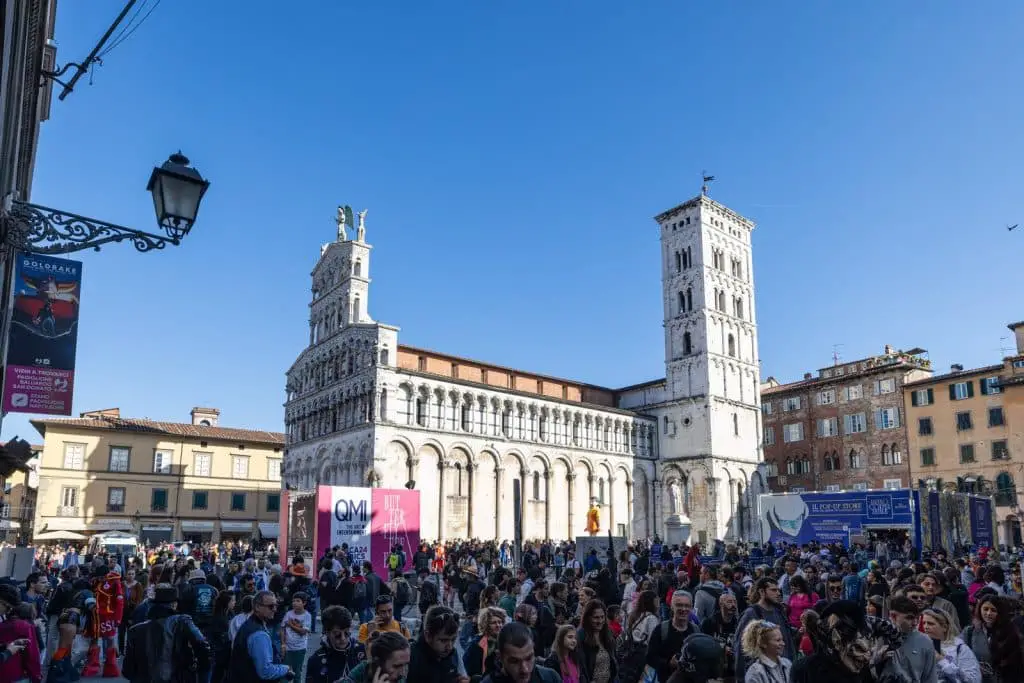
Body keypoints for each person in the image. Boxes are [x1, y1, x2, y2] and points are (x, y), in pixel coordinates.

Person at [122, 583, 211, 683]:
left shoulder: (136, 630)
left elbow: (127, 669)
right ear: (174, 604)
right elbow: (202, 645)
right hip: (176, 677)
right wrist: (198, 668)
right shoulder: (183, 622)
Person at [225, 589, 292, 681]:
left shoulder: (251, 624)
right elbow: (265, 671)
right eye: (271, 606)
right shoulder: (259, 634)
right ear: (257, 607)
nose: (275, 609)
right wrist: (286, 669)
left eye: (276, 605)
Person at [733, 578, 793, 681]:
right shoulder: (751, 614)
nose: (778, 593)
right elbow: (740, 647)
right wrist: (740, 677)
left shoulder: (779, 611)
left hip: (782, 671)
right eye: (773, 590)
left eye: (778, 590)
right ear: (761, 592)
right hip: (761, 674)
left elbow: (787, 639)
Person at [481, 621, 561, 683]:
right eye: (514, 661)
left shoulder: (551, 677)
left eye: (529, 658)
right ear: (500, 657)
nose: (524, 669)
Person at [307, 605, 366, 683]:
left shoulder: (363, 650)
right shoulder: (315, 660)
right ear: (327, 632)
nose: (343, 638)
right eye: (337, 634)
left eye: (347, 632)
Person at [887, 594, 938, 683]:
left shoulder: (925, 641)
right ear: (893, 616)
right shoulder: (877, 637)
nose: (915, 623)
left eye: (917, 618)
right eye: (909, 618)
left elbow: (930, 678)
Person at [921, 608, 980, 683]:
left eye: (930, 623)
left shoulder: (960, 648)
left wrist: (942, 660)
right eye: (923, 623)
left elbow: (973, 680)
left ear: (944, 627)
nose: (925, 627)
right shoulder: (918, 646)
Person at [0, 584, 41, 683]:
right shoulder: (23, 626)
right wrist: (8, 652)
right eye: (7, 607)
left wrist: (5, 646)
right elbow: (32, 657)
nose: (7, 612)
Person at [341, 630, 410, 683]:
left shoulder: (400, 679)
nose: (402, 673)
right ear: (379, 662)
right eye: (396, 666)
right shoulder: (362, 672)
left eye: (406, 665)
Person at [465, 607, 506, 680]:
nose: (498, 625)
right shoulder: (476, 644)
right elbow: (469, 669)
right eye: (493, 623)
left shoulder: (504, 641)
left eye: (500, 622)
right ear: (485, 624)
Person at [282, 591, 313, 681]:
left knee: (297, 672)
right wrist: (283, 644)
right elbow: (282, 629)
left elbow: (303, 632)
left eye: (298, 601)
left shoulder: (307, 616)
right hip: (288, 647)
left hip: (300, 648)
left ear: (304, 603)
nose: (294, 603)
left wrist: (291, 625)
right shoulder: (288, 614)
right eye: (293, 601)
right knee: (285, 671)